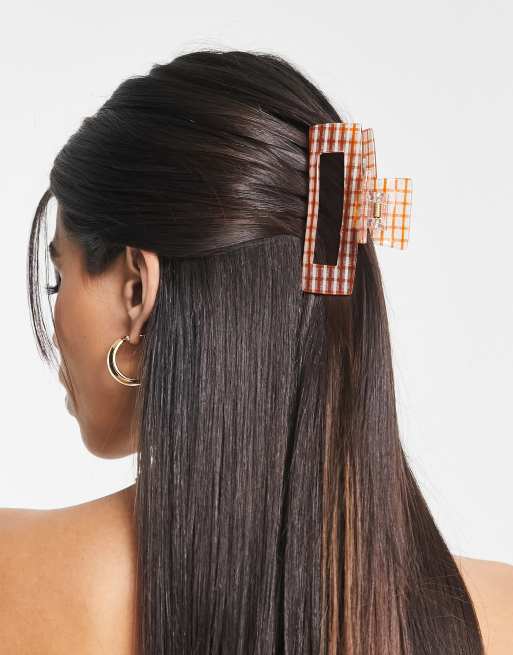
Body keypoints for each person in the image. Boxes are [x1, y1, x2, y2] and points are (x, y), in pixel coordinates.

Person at [1, 49, 512, 655]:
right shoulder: (500, 611)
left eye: (58, 279)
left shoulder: (18, 575)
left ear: (137, 292)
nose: (54, 320)